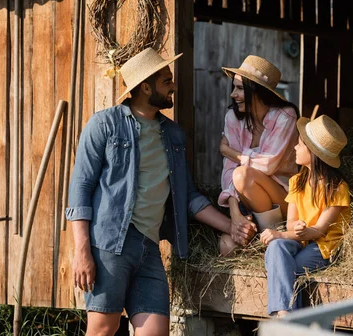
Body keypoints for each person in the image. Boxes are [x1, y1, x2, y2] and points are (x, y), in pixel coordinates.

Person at [65, 48, 236, 336]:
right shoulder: (104, 125)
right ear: (146, 87)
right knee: (102, 331)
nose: (173, 86)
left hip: (148, 247)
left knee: (156, 332)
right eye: (166, 80)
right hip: (109, 245)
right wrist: (82, 251)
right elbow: (80, 189)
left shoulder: (173, 135)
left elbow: (187, 197)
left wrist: (232, 226)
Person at [260, 114, 350, 318]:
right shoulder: (297, 182)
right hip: (300, 240)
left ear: (314, 153)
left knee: (284, 265)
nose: (295, 148)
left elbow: (319, 230)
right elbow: (291, 223)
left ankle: (286, 318)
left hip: (323, 247)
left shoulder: (337, 188)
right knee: (275, 248)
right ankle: (286, 314)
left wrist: (282, 234)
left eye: (300, 145)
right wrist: (294, 228)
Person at [217, 55, 299, 256]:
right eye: (233, 88)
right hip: (247, 202)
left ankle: (273, 237)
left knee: (243, 175)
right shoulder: (233, 118)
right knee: (226, 246)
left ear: (257, 91)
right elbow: (229, 171)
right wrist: (235, 215)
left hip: (286, 200)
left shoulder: (285, 116)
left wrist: (230, 152)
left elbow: (267, 165)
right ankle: (255, 235)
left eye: (240, 88)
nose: (233, 95)